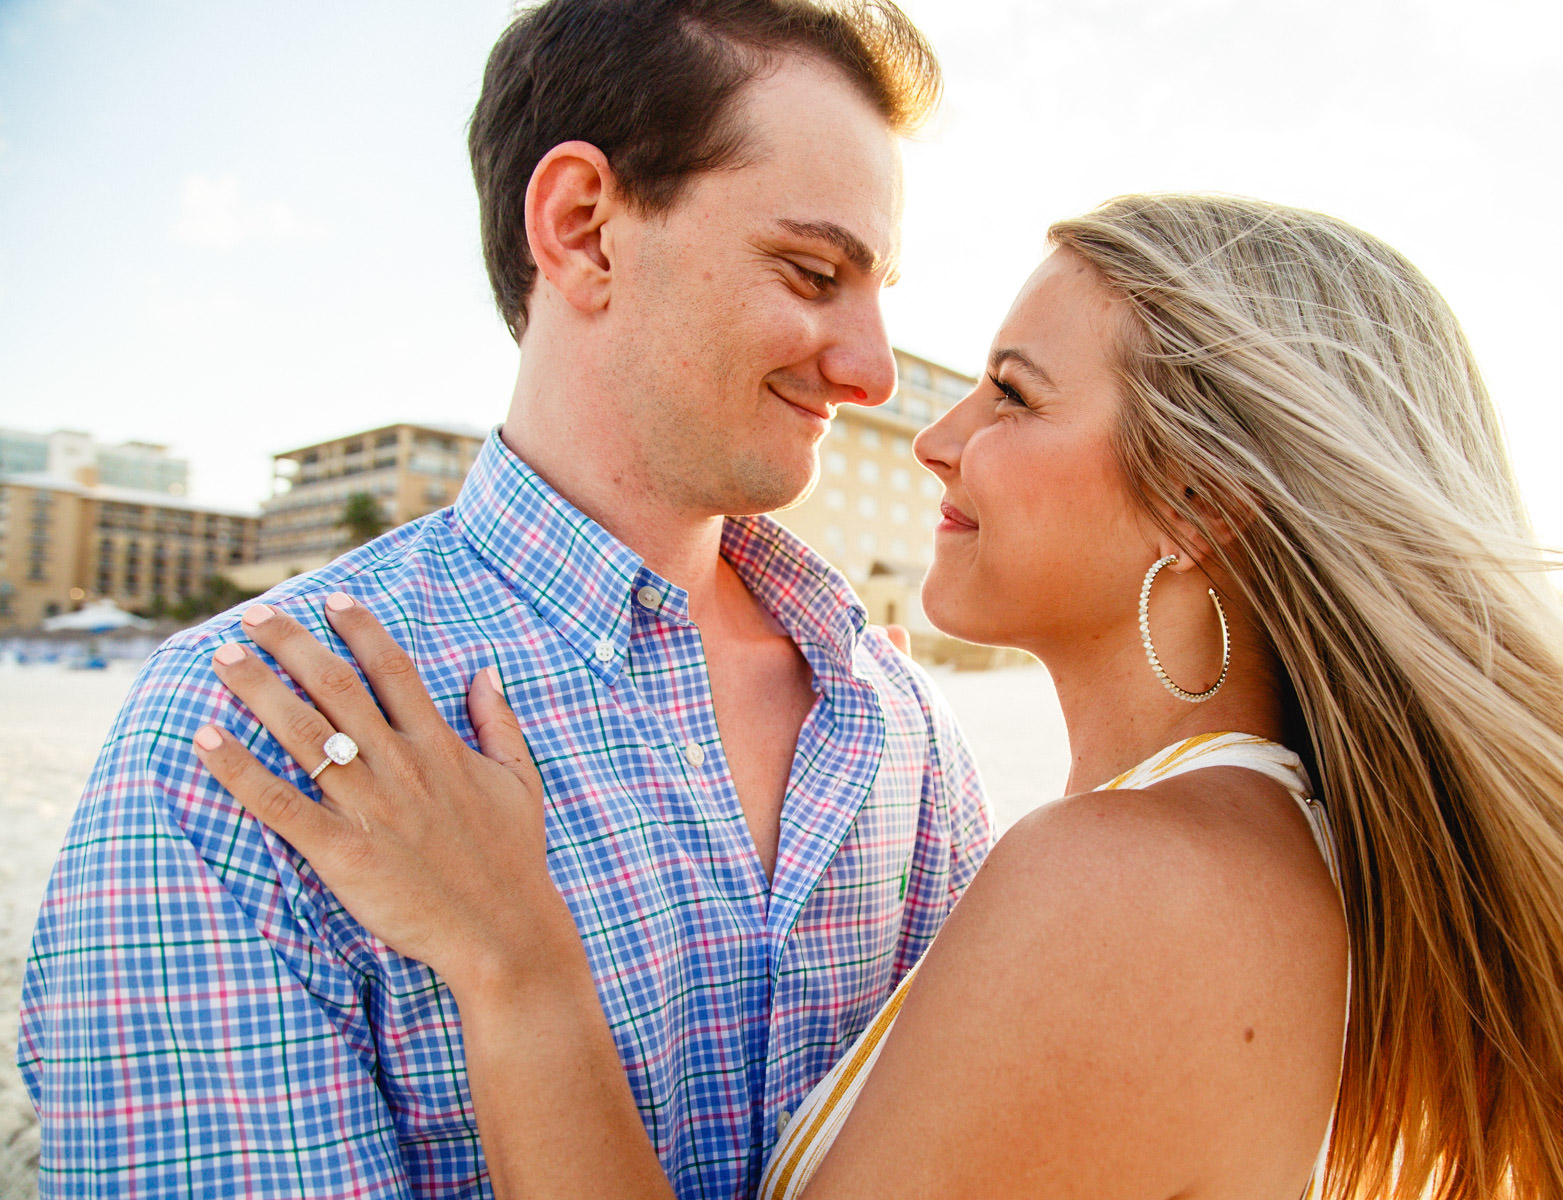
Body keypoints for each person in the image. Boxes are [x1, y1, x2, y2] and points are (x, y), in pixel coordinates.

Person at [194, 192, 1563, 1200]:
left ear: (1205, 502)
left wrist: (518, 964)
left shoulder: (1135, 881)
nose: (938, 437)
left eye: (1013, 397)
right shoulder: (1213, 849)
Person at [17, 2, 990, 1196]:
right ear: (583, 230)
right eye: (811, 272)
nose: (875, 370)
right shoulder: (246, 738)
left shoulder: (900, 727)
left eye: (877, 288)